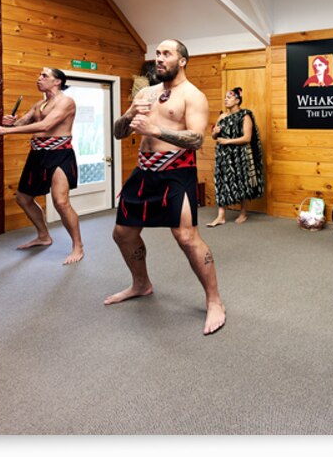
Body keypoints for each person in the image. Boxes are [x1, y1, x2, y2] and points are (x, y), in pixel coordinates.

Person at [105, 39, 226, 336]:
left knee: (186, 237)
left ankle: (214, 301)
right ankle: (141, 284)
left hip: (176, 172)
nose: (159, 58)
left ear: (182, 61)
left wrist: (156, 130)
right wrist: (130, 113)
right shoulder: (145, 93)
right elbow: (119, 132)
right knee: (122, 234)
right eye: (157, 53)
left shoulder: (193, 96)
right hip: (144, 171)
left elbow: (197, 139)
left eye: (166, 54)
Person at [0, 67, 84, 265]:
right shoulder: (39, 104)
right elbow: (21, 124)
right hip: (38, 154)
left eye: (44, 76)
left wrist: (5, 131)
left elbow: (45, 126)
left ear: (57, 81)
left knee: (60, 202)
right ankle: (43, 236)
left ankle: (78, 246)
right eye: (39, 75)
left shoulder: (66, 102)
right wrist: (10, 122)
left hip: (60, 155)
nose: (39, 79)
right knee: (23, 198)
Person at [206, 87, 265, 227]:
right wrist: (215, 132)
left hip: (239, 154)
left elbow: (247, 138)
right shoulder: (222, 116)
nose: (226, 99)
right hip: (223, 155)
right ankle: (220, 216)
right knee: (221, 181)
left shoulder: (245, 116)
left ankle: (243, 212)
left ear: (237, 100)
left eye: (229, 97)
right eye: (225, 97)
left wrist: (228, 141)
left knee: (240, 181)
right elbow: (214, 136)